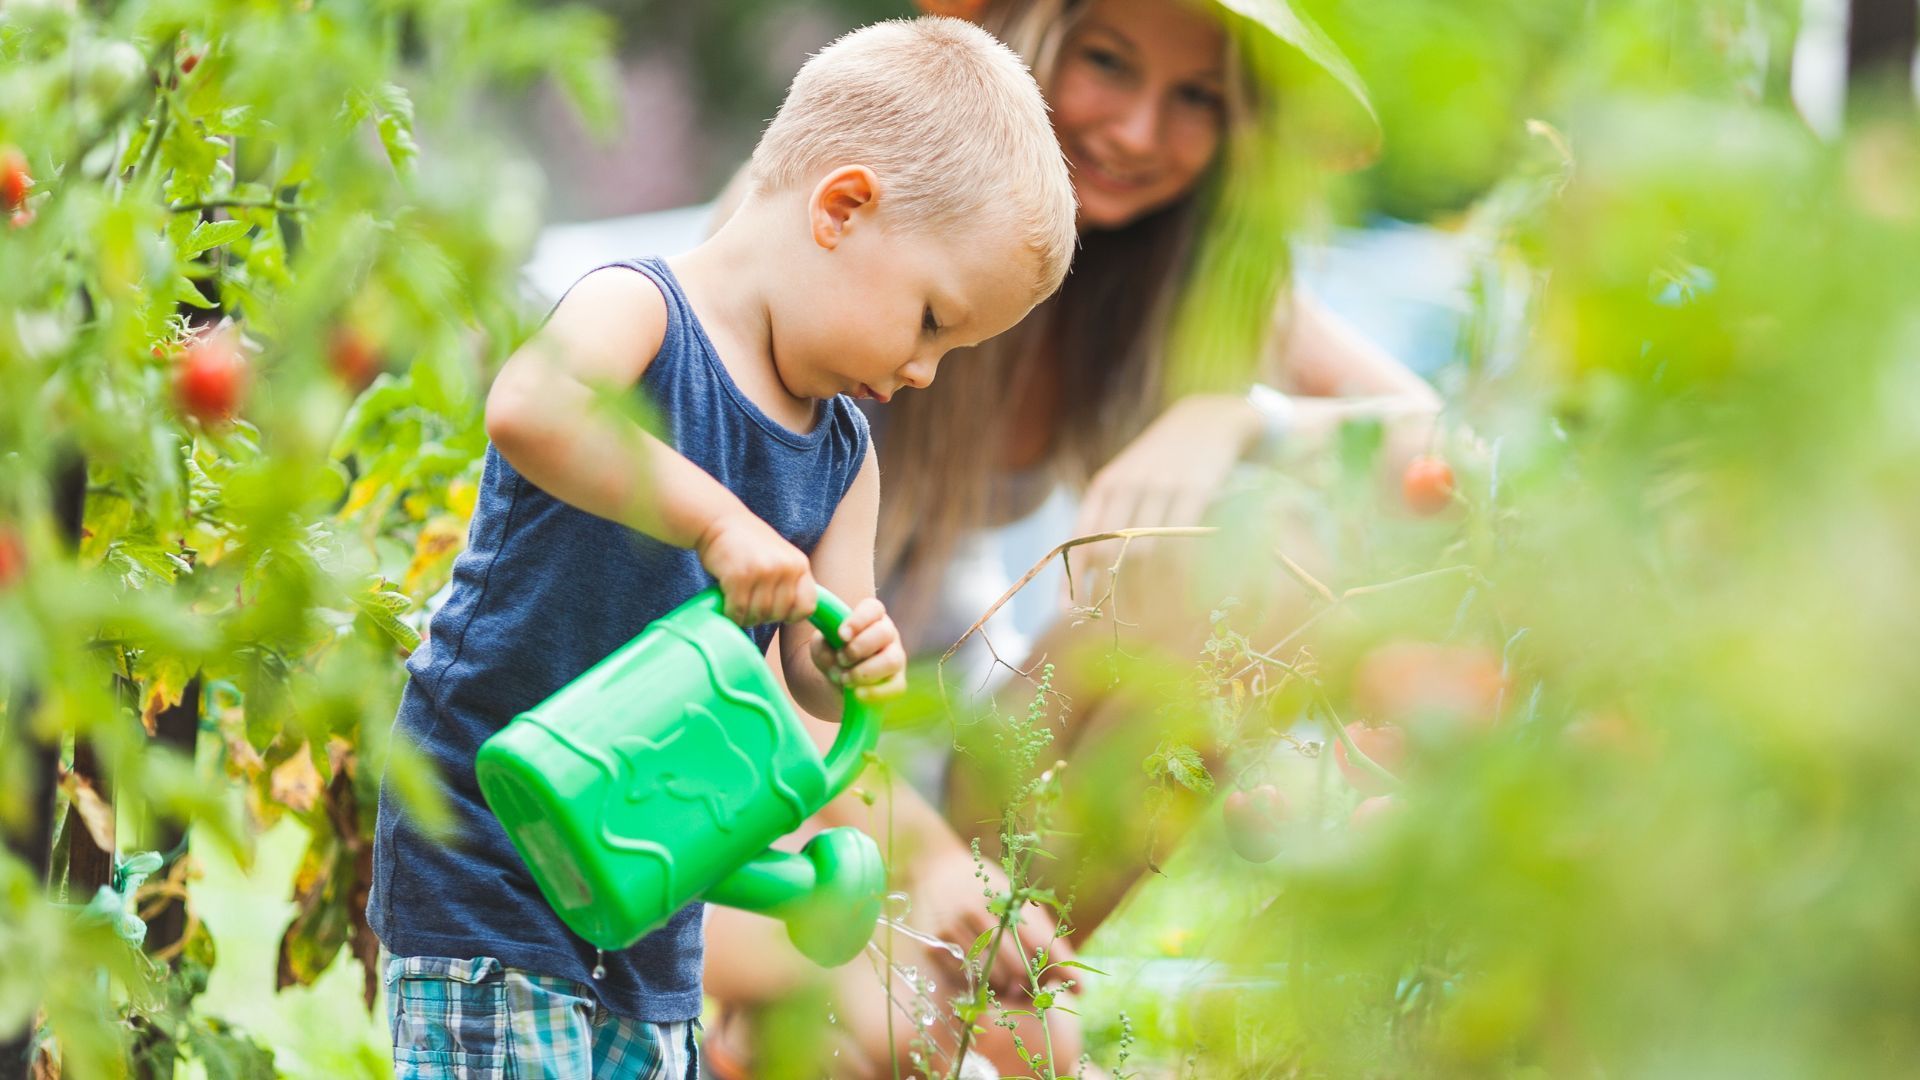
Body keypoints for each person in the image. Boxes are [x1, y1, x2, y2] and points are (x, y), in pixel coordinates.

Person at [701, 1, 1444, 1077]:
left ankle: (974, 971)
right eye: (1107, 61)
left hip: (937, 762)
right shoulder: (849, 225)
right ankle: (883, 993)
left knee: (1262, 567)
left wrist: (1235, 416)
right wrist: (924, 851)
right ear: (1030, 37)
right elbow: (727, 631)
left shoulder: (1187, 278)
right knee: (878, 1042)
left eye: (1195, 99)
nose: (1139, 131)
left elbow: (1445, 442)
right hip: (756, 750)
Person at [365, 17, 1078, 1078]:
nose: (928, 370)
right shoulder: (640, 312)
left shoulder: (843, 459)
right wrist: (716, 521)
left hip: (653, 881)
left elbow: (811, 681)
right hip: (494, 854)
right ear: (843, 208)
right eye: (932, 320)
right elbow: (530, 406)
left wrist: (853, 660)